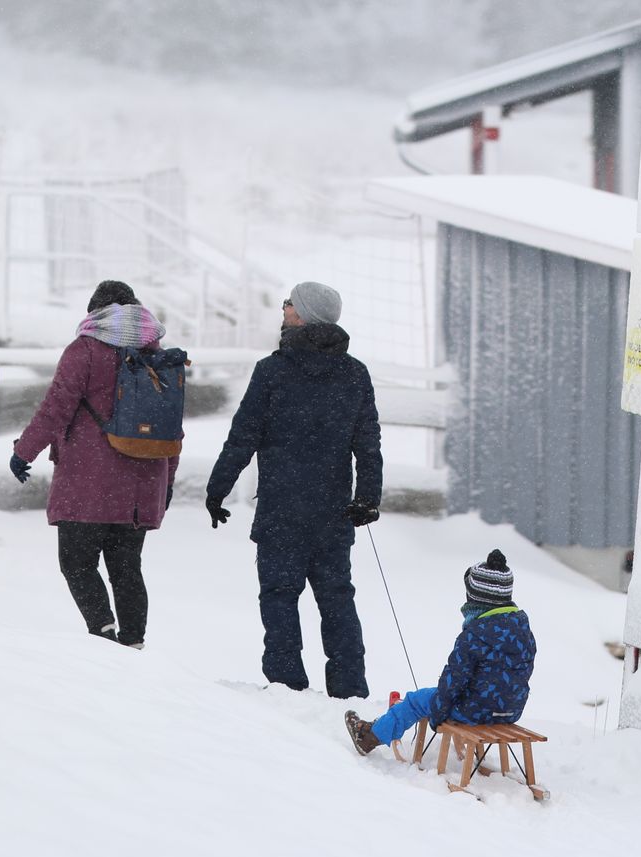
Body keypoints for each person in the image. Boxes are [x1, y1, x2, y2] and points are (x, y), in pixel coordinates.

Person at [207, 280, 382, 698]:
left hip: (281, 509)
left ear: (301, 315)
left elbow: (242, 435)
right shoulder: (354, 373)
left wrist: (218, 489)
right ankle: (349, 688)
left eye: (289, 303)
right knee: (337, 599)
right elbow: (368, 443)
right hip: (333, 511)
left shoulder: (273, 371)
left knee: (280, 597)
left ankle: (287, 687)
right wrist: (367, 499)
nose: (283, 308)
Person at [9, 280, 178, 648]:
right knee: (126, 567)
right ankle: (133, 642)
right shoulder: (158, 356)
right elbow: (170, 426)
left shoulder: (85, 350)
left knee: (77, 563)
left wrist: (24, 451)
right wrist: (167, 482)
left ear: (95, 313)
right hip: (142, 481)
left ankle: (102, 634)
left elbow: (56, 408)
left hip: (88, 481)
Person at [345, 549, 536, 754]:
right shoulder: (523, 630)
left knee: (416, 700)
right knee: (453, 695)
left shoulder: (473, 635)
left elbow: (454, 680)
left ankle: (369, 736)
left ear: (475, 598)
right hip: (510, 711)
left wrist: (438, 712)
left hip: (474, 711)